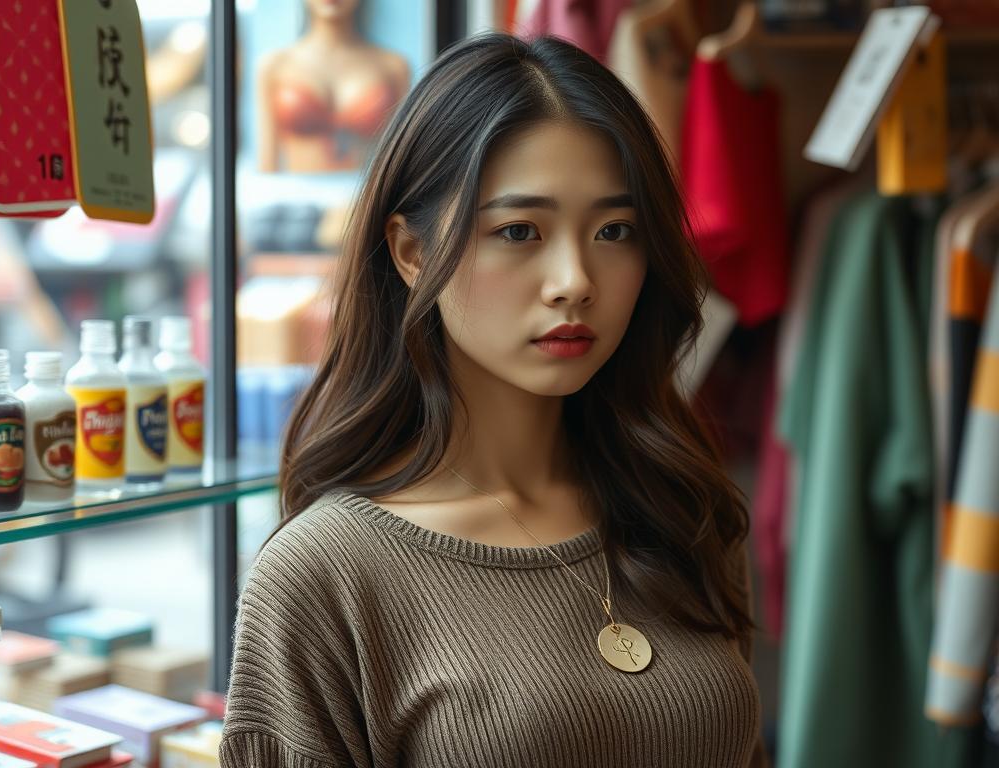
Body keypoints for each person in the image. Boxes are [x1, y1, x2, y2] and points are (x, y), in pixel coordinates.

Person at [219, 31, 765, 768]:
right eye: (519, 231)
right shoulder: (324, 574)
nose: (575, 279)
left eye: (614, 230)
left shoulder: (682, 508)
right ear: (412, 253)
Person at [256, 0, 410, 173]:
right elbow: (268, 166)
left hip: (367, 197)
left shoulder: (394, 67)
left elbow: (402, 161)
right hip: (294, 196)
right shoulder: (275, 66)